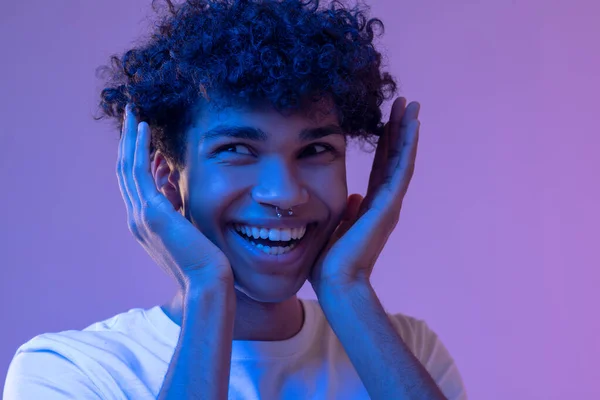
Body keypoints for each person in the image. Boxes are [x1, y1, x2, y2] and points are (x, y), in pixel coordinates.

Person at [4, 0, 468, 398]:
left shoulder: (408, 351)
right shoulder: (71, 371)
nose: (284, 193)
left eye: (316, 150)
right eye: (236, 151)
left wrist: (346, 288)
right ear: (165, 179)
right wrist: (206, 289)